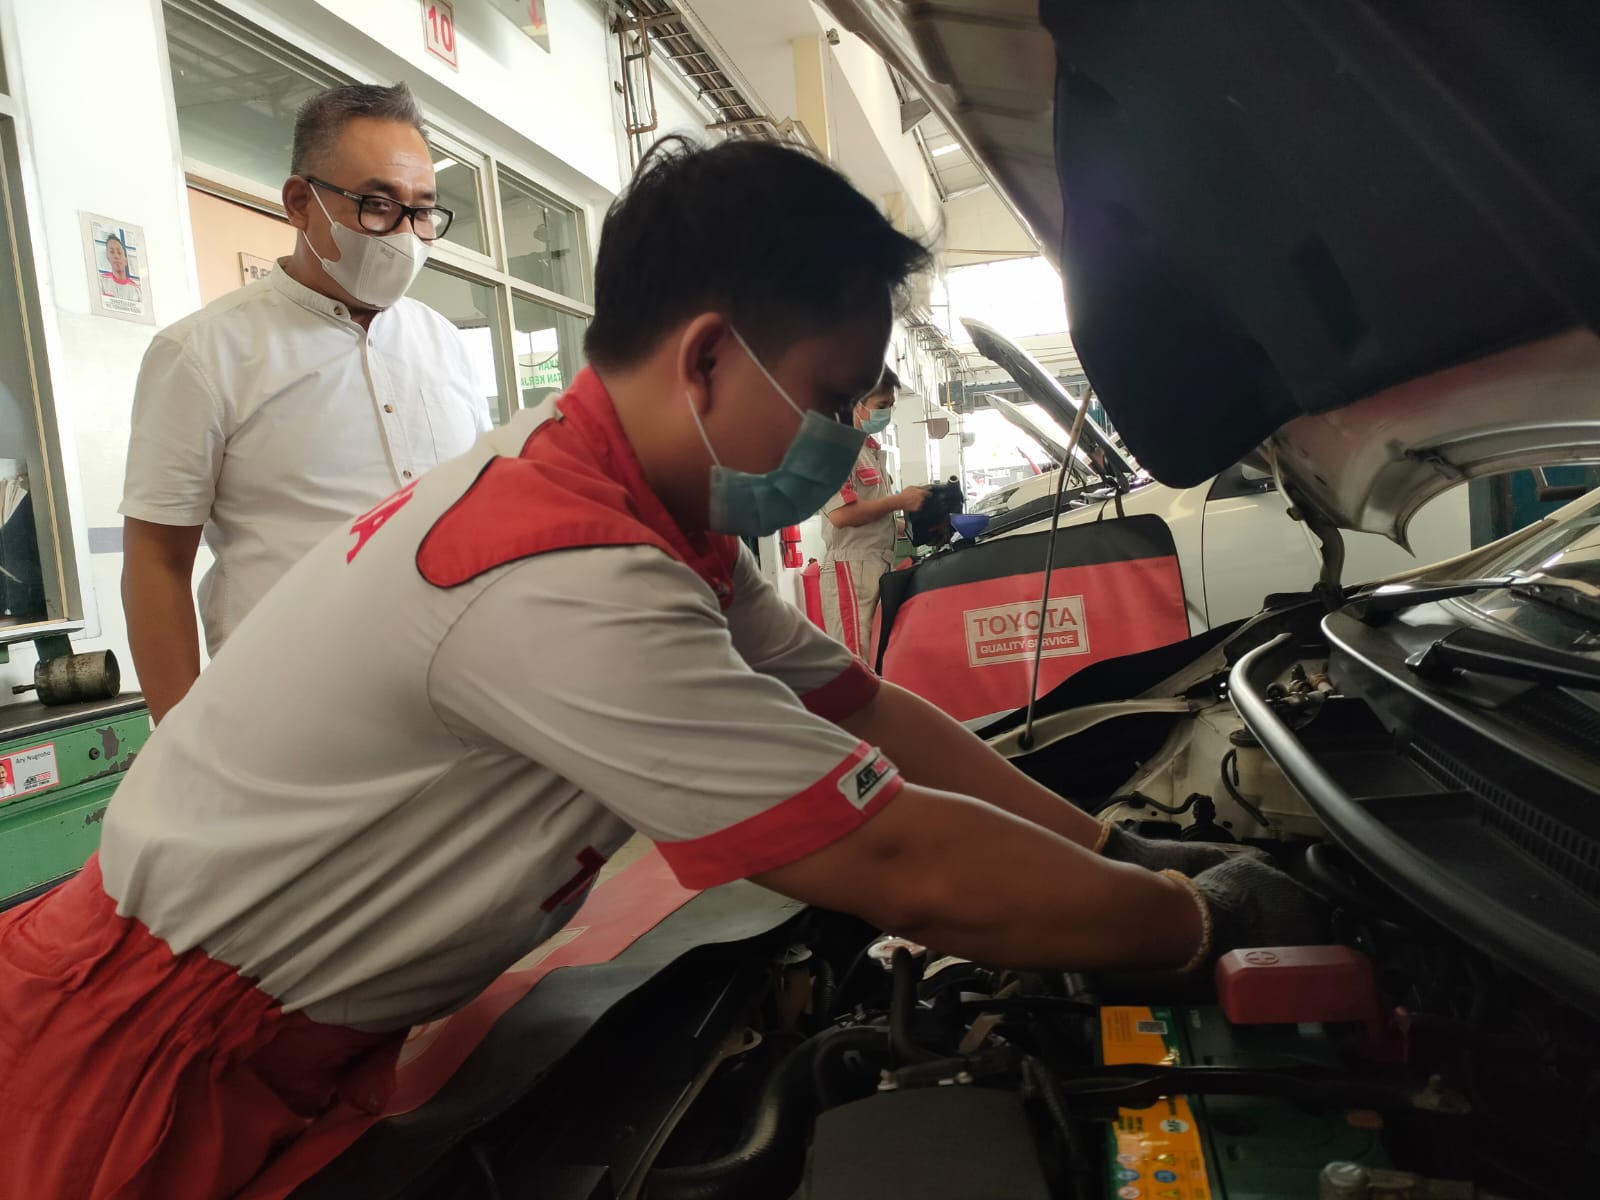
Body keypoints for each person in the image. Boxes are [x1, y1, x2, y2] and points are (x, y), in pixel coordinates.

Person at [0, 137, 1318, 1200]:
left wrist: (1116, 851)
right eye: (837, 393)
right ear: (705, 355)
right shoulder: (567, 573)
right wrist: (1200, 928)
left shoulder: (626, 499)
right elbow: (894, 860)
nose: (854, 438)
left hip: (276, 1037)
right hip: (137, 1075)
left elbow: (860, 706)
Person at [118, 82, 489, 723]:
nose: (406, 234)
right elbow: (156, 560)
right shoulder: (205, 353)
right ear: (299, 202)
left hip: (455, 705)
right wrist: (179, 746)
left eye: (422, 210)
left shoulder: (444, 343)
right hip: (291, 721)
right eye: (377, 204)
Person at [818, 368, 928, 658]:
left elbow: (870, 512)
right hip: (851, 570)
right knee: (859, 660)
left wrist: (907, 522)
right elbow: (842, 515)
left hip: (875, 568)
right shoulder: (833, 448)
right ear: (856, 402)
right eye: (882, 406)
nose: (888, 412)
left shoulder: (866, 449)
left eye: (891, 405)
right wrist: (898, 501)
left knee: (877, 658)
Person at [98, 233, 142, 306]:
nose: (116, 256)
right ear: (108, 257)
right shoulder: (101, 282)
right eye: (112, 252)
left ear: (125, 260)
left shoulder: (136, 289)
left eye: (119, 253)